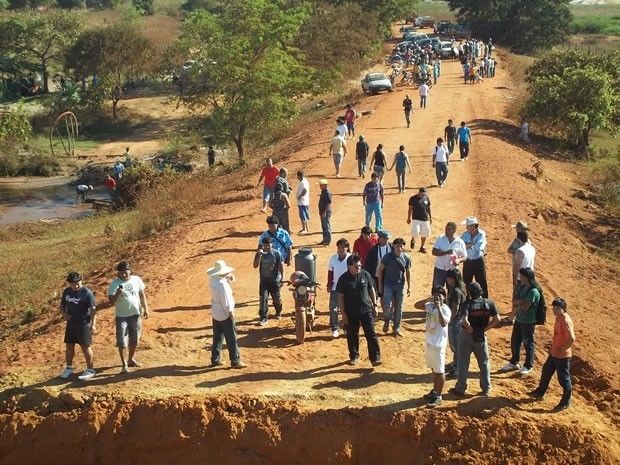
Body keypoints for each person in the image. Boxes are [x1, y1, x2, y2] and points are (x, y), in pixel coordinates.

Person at [450, 282, 502, 397]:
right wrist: (484, 329)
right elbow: (497, 319)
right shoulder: (489, 303)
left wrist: (470, 329)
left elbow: (464, 320)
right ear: (480, 291)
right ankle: (486, 388)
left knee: (463, 362)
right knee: (484, 363)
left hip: (466, 336)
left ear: (469, 292)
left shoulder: (467, 304)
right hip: (481, 336)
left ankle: (461, 388)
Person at [529, 297, 575, 411]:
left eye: (557, 308)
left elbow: (572, 338)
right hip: (554, 353)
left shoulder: (565, 320)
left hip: (562, 356)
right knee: (546, 372)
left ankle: (565, 401)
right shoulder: (559, 318)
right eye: (554, 307)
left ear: (563, 308)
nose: (554, 310)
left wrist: (562, 348)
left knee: (563, 379)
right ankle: (540, 392)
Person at [337, 255, 381, 366]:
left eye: (360, 265)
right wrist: (343, 314)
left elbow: (371, 289)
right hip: (351, 312)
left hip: (366, 310)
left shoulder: (365, 275)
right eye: (356, 266)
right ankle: (354, 356)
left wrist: (375, 305)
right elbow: (340, 297)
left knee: (371, 334)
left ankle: (375, 358)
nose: (359, 268)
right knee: (352, 336)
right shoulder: (343, 279)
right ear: (349, 266)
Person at [107, 261, 149, 374]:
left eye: (125, 272)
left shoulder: (136, 280)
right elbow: (111, 302)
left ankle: (131, 359)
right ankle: (124, 365)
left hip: (136, 314)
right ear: (118, 273)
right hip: (122, 316)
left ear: (130, 271)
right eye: (121, 272)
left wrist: (146, 308)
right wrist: (117, 294)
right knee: (122, 341)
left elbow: (141, 294)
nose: (124, 274)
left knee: (135, 339)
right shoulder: (114, 284)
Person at [501, 267, 540, 376]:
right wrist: (520, 302)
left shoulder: (533, 291)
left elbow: (526, 306)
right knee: (515, 341)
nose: (520, 277)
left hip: (528, 321)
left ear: (527, 277)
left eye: (522, 276)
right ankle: (514, 362)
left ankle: (528, 365)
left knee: (528, 344)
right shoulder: (522, 287)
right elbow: (515, 301)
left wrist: (520, 302)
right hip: (519, 319)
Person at [207, 259, 246, 368]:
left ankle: (215, 359)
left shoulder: (213, 280)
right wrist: (230, 312)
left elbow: (221, 278)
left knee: (217, 337)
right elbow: (226, 300)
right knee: (231, 338)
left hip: (216, 312)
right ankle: (235, 360)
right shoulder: (222, 285)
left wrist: (228, 277)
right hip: (225, 313)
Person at [59, 272, 97, 381]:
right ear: (69, 283)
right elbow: (62, 305)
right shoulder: (67, 292)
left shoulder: (87, 293)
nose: (76, 286)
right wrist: (64, 314)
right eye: (73, 284)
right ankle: (69, 368)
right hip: (71, 324)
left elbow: (93, 310)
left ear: (81, 281)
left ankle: (90, 369)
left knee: (85, 346)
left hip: (84, 324)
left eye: (77, 283)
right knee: (69, 346)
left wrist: (93, 324)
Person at [377, 237, 411, 337]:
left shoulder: (406, 258)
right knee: (387, 307)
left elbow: (408, 272)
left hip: (400, 285)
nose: (399, 248)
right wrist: (380, 286)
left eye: (401, 246)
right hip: (388, 285)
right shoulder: (387, 257)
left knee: (399, 307)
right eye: (397, 246)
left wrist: (409, 286)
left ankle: (396, 327)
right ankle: (387, 320)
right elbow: (380, 271)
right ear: (394, 247)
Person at [423, 286, 451, 406]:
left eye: (440, 295)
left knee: (440, 371)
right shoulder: (429, 306)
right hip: (430, 342)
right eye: (435, 295)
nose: (437, 298)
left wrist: (439, 307)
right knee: (434, 369)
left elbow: (444, 323)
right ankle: (434, 391)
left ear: (444, 297)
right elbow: (416, 305)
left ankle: (439, 396)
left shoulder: (445, 309)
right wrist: (428, 300)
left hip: (439, 345)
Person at [253, 236, 284, 325]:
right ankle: (263, 317)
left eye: (268, 246)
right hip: (264, 280)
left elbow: (281, 266)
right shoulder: (260, 254)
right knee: (263, 299)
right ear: (263, 245)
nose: (267, 247)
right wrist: (259, 255)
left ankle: (278, 311)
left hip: (274, 280)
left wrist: (281, 278)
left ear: (271, 245)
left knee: (276, 298)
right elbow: (255, 265)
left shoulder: (277, 253)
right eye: (265, 246)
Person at [327, 239, 352, 338]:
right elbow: (330, 272)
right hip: (335, 287)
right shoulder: (333, 258)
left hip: (348, 288)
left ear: (347, 248)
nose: (341, 249)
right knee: (333, 308)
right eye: (339, 247)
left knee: (347, 309)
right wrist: (329, 284)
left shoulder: (351, 258)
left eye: (343, 247)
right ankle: (335, 328)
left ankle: (346, 327)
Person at [445, 269, 467, 379]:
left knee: (456, 346)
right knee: (456, 346)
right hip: (458, 321)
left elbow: (455, 308)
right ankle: (455, 363)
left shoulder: (456, 291)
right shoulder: (458, 289)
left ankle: (458, 368)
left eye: (450, 277)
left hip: (455, 322)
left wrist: (449, 320)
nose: (448, 279)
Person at [432, 222, 467, 289]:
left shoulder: (460, 242)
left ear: (454, 230)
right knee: (437, 289)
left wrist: (458, 260)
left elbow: (465, 257)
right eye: (446, 229)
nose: (446, 231)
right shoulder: (440, 238)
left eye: (448, 230)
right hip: (439, 268)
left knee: (452, 291)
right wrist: (446, 252)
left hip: (452, 270)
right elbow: (434, 252)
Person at [461, 216, 488, 298]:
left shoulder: (482, 234)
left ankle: (484, 302)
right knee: (466, 282)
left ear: (473, 226)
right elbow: (461, 246)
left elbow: (478, 248)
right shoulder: (465, 234)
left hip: (478, 261)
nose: (466, 227)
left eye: (468, 226)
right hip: (468, 261)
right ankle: (466, 301)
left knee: (482, 283)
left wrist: (467, 245)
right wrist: (472, 244)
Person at [407, 187, 432, 253]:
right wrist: (409, 218)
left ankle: (422, 247)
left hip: (425, 219)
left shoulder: (426, 198)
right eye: (422, 193)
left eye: (424, 193)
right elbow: (410, 209)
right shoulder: (413, 198)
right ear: (419, 192)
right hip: (416, 218)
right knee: (415, 232)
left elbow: (428, 208)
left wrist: (430, 217)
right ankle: (413, 239)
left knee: (425, 233)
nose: (423, 194)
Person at [318, 179, 332, 246]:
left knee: (326, 226)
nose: (320, 186)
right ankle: (324, 240)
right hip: (322, 212)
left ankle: (328, 241)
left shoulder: (327, 192)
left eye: (321, 185)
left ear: (325, 185)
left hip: (325, 213)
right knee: (323, 226)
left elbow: (328, 203)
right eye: (320, 185)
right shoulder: (323, 191)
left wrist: (324, 212)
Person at [296, 170, 310, 234]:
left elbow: (305, 190)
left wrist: (300, 196)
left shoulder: (303, 182)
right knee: (304, 215)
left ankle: (305, 229)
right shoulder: (304, 181)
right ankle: (305, 228)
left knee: (302, 215)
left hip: (302, 202)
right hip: (304, 201)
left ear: (299, 176)